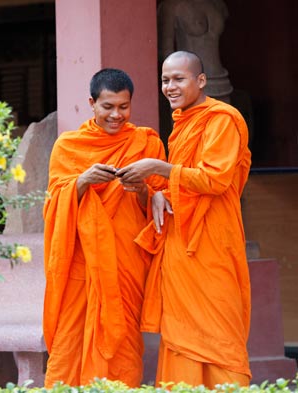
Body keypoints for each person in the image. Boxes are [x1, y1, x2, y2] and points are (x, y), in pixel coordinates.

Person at [116, 51, 252, 388]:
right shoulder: (182, 125)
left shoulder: (223, 119)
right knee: (180, 339)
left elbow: (214, 180)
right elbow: (183, 187)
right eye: (165, 80)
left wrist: (159, 168)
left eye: (179, 78)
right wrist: (154, 192)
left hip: (213, 244)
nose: (170, 86)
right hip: (181, 246)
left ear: (201, 80)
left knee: (222, 333)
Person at [43, 68, 166, 388]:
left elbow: (160, 207)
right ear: (92, 103)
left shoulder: (146, 143)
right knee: (69, 342)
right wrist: (82, 182)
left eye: (123, 107)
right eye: (108, 107)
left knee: (122, 341)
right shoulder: (68, 146)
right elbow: (53, 207)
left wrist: (141, 190)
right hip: (82, 263)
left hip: (125, 261)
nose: (116, 115)